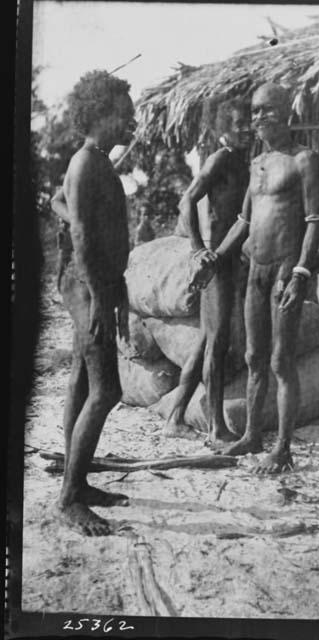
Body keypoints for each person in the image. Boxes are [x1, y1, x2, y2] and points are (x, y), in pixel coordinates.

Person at [200, 83, 319, 473]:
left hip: (286, 270)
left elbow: (314, 220)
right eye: (254, 112)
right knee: (254, 356)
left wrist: (301, 272)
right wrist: (216, 257)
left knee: (280, 360)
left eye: (268, 110)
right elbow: (245, 220)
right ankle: (252, 435)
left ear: (287, 111)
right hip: (256, 270)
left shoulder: (305, 159)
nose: (258, 118)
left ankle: (283, 449)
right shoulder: (257, 163)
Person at [52, 70, 136, 535]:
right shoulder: (87, 163)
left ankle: (77, 482)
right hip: (87, 285)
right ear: (101, 113)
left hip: (94, 283)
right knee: (107, 390)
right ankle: (68, 499)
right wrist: (101, 297)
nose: (131, 123)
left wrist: (113, 286)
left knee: (84, 379)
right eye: (124, 115)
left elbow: (58, 204)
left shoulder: (95, 160)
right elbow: (81, 234)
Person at [163, 99, 251, 445]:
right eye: (238, 123)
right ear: (222, 129)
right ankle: (216, 429)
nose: (245, 128)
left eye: (248, 122)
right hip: (216, 263)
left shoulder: (241, 162)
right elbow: (187, 199)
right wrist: (200, 250)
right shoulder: (221, 158)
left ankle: (174, 417)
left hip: (227, 260)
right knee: (217, 343)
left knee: (204, 342)